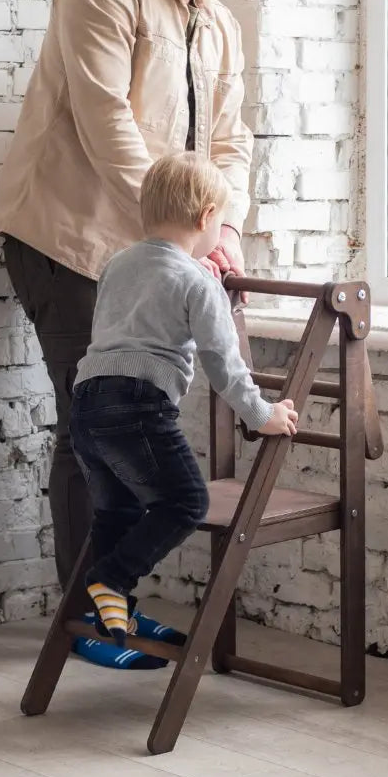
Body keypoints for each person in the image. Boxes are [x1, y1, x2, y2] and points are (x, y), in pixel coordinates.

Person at [0, 0, 271, 667]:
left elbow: (231, 139)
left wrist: (227, 225)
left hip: (159, 250)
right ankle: (86, 620)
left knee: (124, 431)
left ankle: (111, 602)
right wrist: (192, 227)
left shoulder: (218, 24)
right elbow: (107, 122)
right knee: (92, 431)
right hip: (69, 240)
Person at [73, 155, 298, 650]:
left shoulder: (118, 265)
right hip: (139, 405)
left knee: (117, 510)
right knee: (186, 502)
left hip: (88, 402)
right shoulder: (199, 283)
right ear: (205, 219)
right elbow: (225, 364)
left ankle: (115, 615)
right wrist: (264, 415)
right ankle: (111, 578)